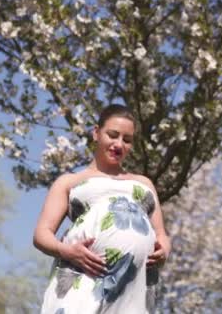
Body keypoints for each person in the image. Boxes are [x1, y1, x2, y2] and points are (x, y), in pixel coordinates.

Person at [34, 104, 171, 313]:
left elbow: (161, 233)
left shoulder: (144, 183)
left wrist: (164, 250)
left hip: (133, 288)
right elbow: (41, 234)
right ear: (96, 133)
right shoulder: (69, 181)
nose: (119, 144)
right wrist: (67, 251)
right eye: (113, 135)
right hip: (83, 279)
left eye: (127, 140)